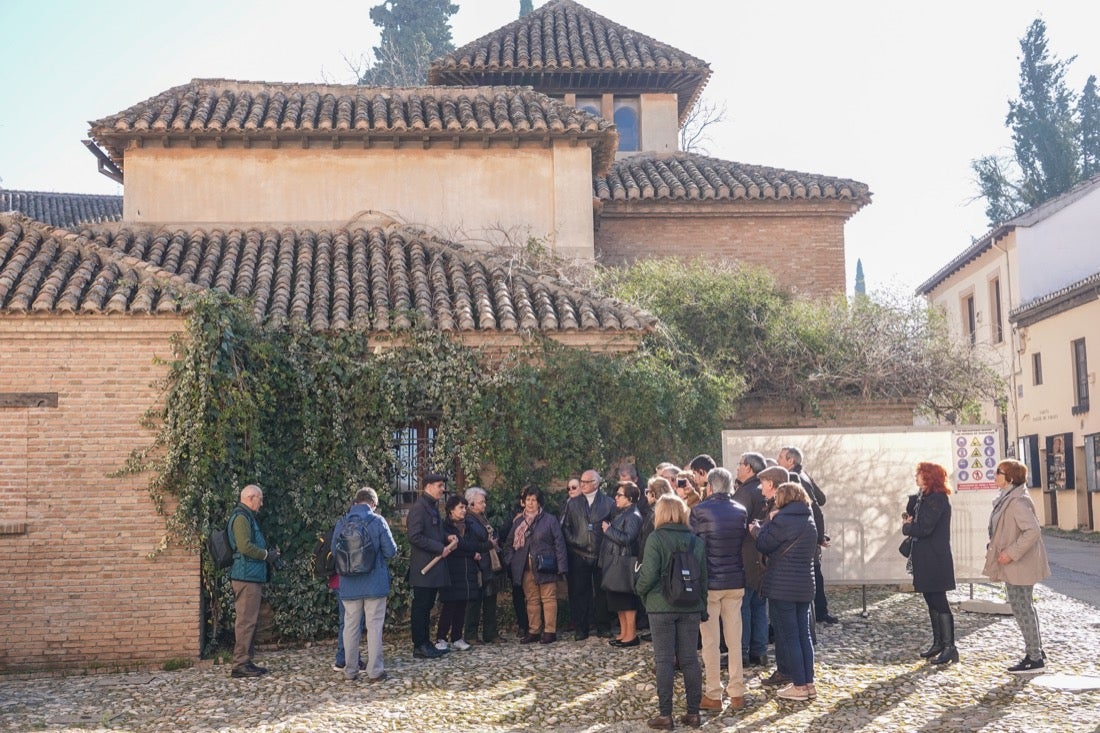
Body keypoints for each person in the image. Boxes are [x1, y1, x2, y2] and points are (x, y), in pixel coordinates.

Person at [636, 494, 708, 730]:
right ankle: (693, 713)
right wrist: (702, 605)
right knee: (690, 659)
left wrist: (640, 591)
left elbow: (648, 575)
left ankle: (665, 715)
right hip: (691, 605)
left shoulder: (656, 539)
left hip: (661, 606)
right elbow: (703, 579)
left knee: (664, 660)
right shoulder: (696, 541)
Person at [689, 466, 749, 711]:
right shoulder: (741, 511)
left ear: (710, 487)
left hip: (710, 583)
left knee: (710, 640)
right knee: (734, 638)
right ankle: (737, 692)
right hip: (735, 580)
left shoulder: (699, 511)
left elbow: (693, 547)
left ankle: (713, 693)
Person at [753, 482, 818, 701]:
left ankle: (799, 685)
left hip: (782, 586)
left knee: (790, 636)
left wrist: (760, 527)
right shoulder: (810, 520)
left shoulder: (780, 520)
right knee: (804, 635)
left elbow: (763, 543)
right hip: (805, 586)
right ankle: (809, 683)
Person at [984, 459, 1050, 673]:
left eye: (998, 472)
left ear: (1010, 478)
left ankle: (1035, 658)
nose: (994, 475)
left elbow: (1032, 531)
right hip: (1017, 563)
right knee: (1023, 605)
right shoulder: (1008, 498)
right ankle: (1036, 649)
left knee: (1021, 607)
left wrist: (1010, 553)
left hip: (1021, 563)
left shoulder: (1017, 501)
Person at [332, 487, 397, 682]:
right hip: (374, 583)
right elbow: (391, 551)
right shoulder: (377, 521)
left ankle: (350, 670)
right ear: (373, 504)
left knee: (350, 626)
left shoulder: (342, 522)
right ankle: (375, 671)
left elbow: (334, 551)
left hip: (349, 584)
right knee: (374, 626)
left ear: (355, 502)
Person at [902, 461, 958, 666]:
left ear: (930, 477)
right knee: (930, 599)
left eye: (920, 474)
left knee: (939, 600)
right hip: (925, 557)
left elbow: (924, 527)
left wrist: (908, 528)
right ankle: (939, 643)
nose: (916, 477)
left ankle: (950, 647)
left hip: (935, 558)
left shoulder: (938, 499)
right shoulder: (924, 498)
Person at [778, 446, 836, 624]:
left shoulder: (796, 481)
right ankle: (820, 610)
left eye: (781, 457)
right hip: (809, 532)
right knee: (815, 572)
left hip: (804, 533)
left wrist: (819, 538)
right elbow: (822, 498)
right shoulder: (805, 474)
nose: (778, 460)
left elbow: (817, 509)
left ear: (791, 461)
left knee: (812, 573)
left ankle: (818, 612)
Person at [228, 484, 280, 678]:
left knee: (249, 621)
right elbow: (244, 546)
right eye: (260, 499)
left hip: (249, 574)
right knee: (245, 621)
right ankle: (240, 663)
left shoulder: (246, 517)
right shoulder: (241, 518)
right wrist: (267, 555)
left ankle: (245, 661)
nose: (262, 503)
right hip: (245, 576)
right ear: (250, 498)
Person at [504, 485, 568, 644]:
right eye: (528, 500)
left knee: (548, 598)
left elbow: (559, 543)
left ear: (539, 502)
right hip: (525, 567)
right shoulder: (518, 521)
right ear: (523, 502)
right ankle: (533, 631)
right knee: (531, 600)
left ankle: (549, 631)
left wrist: (561, 567)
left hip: (546, 565)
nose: (531, 503)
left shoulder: (549, 520)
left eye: (534, 500)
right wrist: (511, 561)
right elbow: (509, 544)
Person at [407, 472, 457, 660]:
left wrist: (446, 537)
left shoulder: (431, 507)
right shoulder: (419, 508)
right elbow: (414, 536)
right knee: (421, 606)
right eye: (439, 485)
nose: (442, 489)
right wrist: (439, 548)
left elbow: (434, 531)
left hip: (432, 569)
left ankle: (425, 643)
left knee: (426, 606)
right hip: (424, 568)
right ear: (428, 486)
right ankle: (419, 645)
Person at [561, 469, 615, 640]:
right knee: (579, 592)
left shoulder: (608, 503)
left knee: (602, 592)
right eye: (581, 482)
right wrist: (575, 541)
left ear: (596, 484)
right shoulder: (573, 503)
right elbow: (566, 527)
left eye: (586, 482)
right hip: (579, 554)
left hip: (601, 554)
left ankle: (603, 626)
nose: (582, 485)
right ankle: (581, 628)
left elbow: (614, 526)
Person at [755, 466, 796, 688]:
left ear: (771, 484)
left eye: (763, 484)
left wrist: (757, 531)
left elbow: (769, 540)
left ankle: (787, 672)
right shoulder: (779, 509)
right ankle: (787, 671)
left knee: (785, 628)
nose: (761, 488)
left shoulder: (781, 511)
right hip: (783, 576)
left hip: (782, 576)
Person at [733, 452, 769, 667]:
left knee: (744, 605)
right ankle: (761, 651)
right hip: (762, 555)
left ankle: (743, 652)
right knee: (758, 605)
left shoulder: (745, 493)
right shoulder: (763, 491)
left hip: (746, 555)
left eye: (740, 465)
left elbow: (737, 523)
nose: (737, 468)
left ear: (749, 468)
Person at [600, 481, 643, 647]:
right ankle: (624, 633)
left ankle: (631, 635)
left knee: (627, 602)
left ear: (630, 498)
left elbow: (627, 538)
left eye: (620, 495)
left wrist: (608, 530)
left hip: (624, 563)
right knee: (618, 601)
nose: (615, 498)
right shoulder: (622, 512)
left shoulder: (633, 515)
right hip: (616, 563)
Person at [436, 495, 481, 652]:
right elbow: (455, 548)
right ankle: (441, 637)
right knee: (449, 604)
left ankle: (457, 637)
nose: (464, 510)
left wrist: (466, 548)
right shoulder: (445, 527)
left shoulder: (469, 526)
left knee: (462, 604)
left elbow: (474, 544)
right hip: (451, 569)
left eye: (465, 507)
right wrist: (469, 551)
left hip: (466, 571)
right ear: (451, 510)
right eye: (460, 507)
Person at [464, 487, 507, 644]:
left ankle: (490, 633)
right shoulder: (469, 520)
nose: (484, 505)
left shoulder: (481, 518)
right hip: (479, 565)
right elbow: (475, 540)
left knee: (490, 600)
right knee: (475, 602)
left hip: (489, 564)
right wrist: (490, 543)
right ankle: (471, 634)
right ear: (472, 503)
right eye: (481, 502)